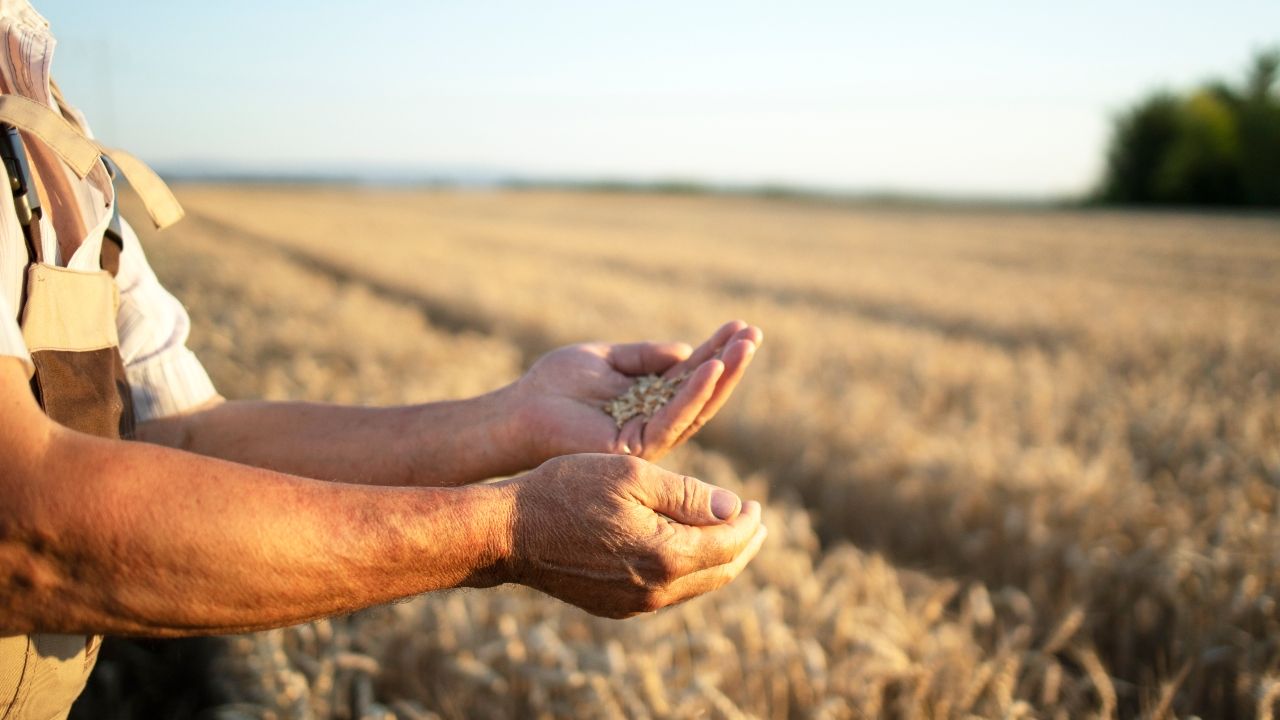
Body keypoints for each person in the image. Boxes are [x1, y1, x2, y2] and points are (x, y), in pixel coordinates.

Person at [0, 3, 766, 718]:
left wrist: (508, 419)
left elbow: (179, 435)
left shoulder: (37, 99)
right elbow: (24, 519)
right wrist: (509, 532)